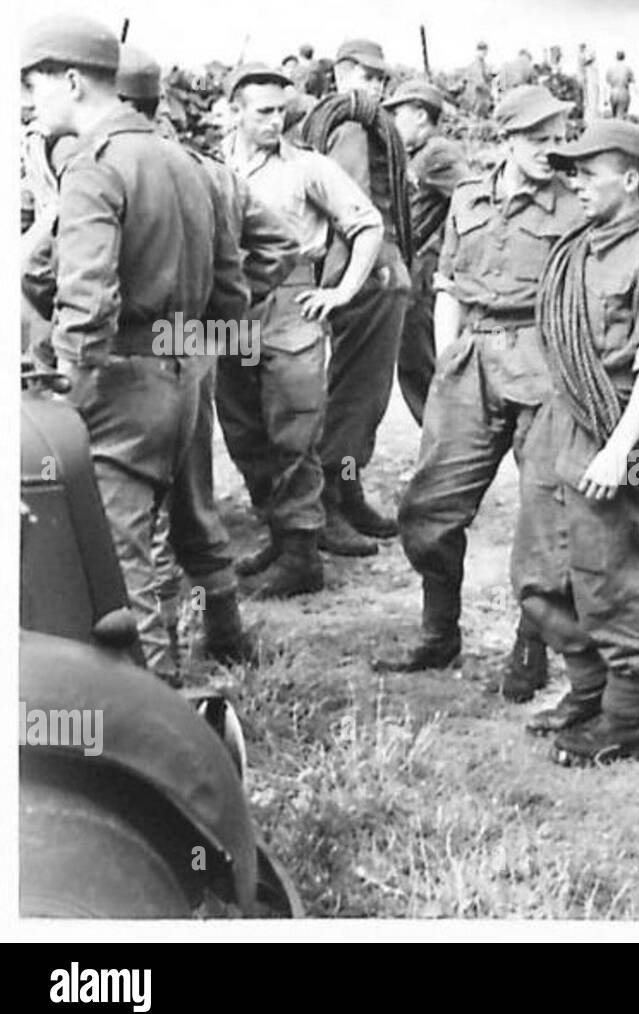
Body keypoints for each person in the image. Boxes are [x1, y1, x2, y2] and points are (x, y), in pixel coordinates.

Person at [19, 14, 237, 677]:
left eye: (34, 85)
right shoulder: (187, 162)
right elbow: (230, 290)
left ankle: (159, 706)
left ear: (73, 80)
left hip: (117, 382)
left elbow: (86, 301)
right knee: (157, 534)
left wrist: (64, 386)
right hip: (182, 375)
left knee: (120, 557)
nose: (29, 103)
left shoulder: (94, 166)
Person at [377, 85, 585, 702]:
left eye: (558, 139)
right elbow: (448, 285)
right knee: (428, 508)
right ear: (509, 139)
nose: (552, 150)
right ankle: (438, 631)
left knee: (546, 512)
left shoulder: (574, 208)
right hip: (473, 359)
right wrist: (447, 359)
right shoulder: (468, 198)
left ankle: (533, 638)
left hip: (544, 362)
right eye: (539, 139)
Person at [511, 120, 639, 765]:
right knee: (540, 576)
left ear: (631, 179)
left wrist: (620, 450)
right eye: (574, 173)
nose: (577, 184)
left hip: (616, 433)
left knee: (609, 580)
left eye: (589, 173)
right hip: (558, 426)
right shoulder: (577, 247)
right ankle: (587, 692)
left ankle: (621, 726)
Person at [118, 46, 298, 658]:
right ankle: (224, 635)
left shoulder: (112, 170)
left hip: (137, 357)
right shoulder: (212, 172)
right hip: (192, 347)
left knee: (141, 507)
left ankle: (160, 657)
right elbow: (280, 243)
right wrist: (226, 319)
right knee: (192, 497)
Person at [218, 64, 384, 597]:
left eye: (280, 110)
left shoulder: (308, 167)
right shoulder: (214, 166)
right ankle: (277, 531)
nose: (274, 120)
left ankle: (302, 556)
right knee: (243, 428)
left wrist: (340, 292)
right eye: (262, 111)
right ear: (234, 111)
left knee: (294, 428)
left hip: (290, 301)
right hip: (229, 304)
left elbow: (367, 224)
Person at [299, 40, 414, 556]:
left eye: (380, 80)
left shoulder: (364, 125)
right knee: (355, 392)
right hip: (369, 276)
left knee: (364, 393)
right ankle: (327, 503)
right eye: (368, 76)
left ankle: (347, 488)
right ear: (343, 72)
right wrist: (345, 286)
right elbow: (352, 212)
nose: (376, 87)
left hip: (375, 275)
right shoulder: (351, 127)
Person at [382, 80, 470, 426]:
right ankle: (436, 443)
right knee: (412, 363)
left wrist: (447, 252)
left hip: (424, 270)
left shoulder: (439, 153)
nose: (393, 122)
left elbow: (470, 198)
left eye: (398, 114)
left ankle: (443, 444)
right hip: (411, 265)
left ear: (420, 115)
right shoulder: (415, 156)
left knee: (421, 363)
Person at [464, 42, 494, 118]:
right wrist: (492, 92)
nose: (484, 52)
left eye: (485, 50)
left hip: (483, 101)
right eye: (481, 50)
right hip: (476, 100)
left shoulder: (485, 65)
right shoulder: (474, 65)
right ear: (477, 51)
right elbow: (479, 83)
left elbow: (489, 78)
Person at [605, 51, 634, 119]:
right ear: (624, 57)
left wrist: (605, 98)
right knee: (621, 115)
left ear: (616, 57)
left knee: (614, 115)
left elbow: (607, 82)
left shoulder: (610, 68)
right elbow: (632, 80)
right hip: (623, 91)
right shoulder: (628, 68)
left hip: (613, 92)